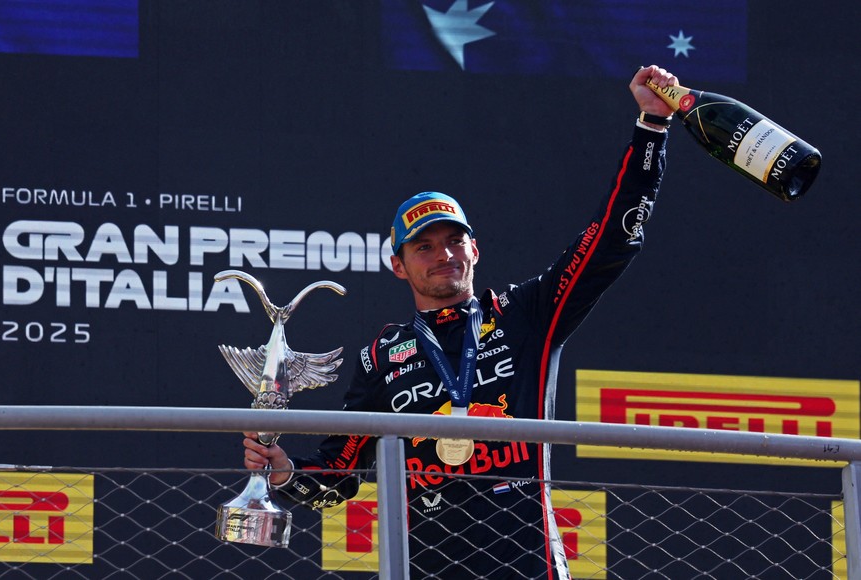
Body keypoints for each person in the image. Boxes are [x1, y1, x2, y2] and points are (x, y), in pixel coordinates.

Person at [243, 65, 678, 579]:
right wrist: (286, 472)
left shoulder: (527, 314)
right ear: (399, 266)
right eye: (424, 247)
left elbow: (613, 236)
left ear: (475, 249)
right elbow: (340, 471)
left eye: (454, 241)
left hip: (529, 566)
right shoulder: (383, 356)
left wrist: (651, 130)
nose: (442, 254)